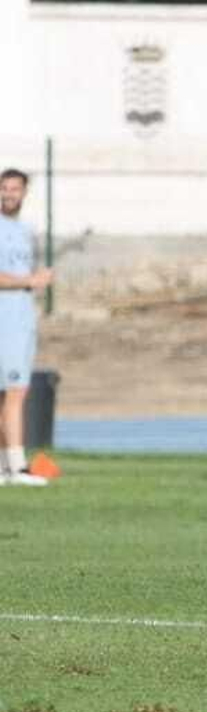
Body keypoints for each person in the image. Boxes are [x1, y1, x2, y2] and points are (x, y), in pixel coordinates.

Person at [0, 168, 53, 488]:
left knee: (8, 394)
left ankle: (6, 466)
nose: (8, 194)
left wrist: (37, 281)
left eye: (14, 189)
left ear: (24, 192)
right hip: (6, 321)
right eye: (3, 188)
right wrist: (28, 281)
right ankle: (18, 467)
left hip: (21, 318)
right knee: (16, 393)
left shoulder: (24, 230)